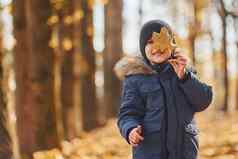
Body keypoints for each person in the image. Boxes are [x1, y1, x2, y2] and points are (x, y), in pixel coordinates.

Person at [114, 19, 213, 159]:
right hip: (150, 151)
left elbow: (203, 101)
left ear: (171, 44)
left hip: (183, 151)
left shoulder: (184, 72)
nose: (157, 46)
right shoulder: (135, 79)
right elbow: (128, 113)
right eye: (150, 42)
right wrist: (130, 129)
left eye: (162, 40)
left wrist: (184, 77)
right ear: (143, 48)